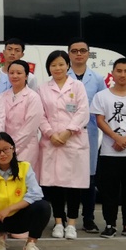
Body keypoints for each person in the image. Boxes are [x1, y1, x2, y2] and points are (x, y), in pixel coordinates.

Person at [91, 58, 126, 239]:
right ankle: (110, 225)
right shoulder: (102, 96)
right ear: (112, 73)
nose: (122, 74)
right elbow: (100, 120)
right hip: (109, 152)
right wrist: (116, 137)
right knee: (109, 191)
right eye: (119, 70)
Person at [38, 50, 90, 240]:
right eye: (53, 65)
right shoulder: (43, 89)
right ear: (49, 68)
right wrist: (51, 133)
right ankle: (59, 222)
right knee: (55, 185)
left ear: (67, 65)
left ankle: (72, 224)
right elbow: (40, 114)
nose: (57, 68)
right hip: (51, 142)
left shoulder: (77, 86)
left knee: (74, 184)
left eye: (61, 64)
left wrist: (68, 132)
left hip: (73, 141)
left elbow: (83, 111)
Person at [68, 39, 107, 233]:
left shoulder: (98, 79)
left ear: (88, 54)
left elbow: (103, 106)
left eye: (82, 50)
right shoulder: (62, 76)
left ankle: (89, 219)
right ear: (69, 54)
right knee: (68, 177)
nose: (78, 54)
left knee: (89, 177)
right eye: (74, 51)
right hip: (66, 134)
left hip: (88, 133)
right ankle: (68, 219)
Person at [0, 60, 45, 175]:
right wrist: (4, 146)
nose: (15, 76)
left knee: (24, 178)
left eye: (19, 73)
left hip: (26, 146)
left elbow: (30, 127)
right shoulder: (2, 96)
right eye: (11, 73)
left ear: (26, 76)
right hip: (4, 147)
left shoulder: (33, 97)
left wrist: (12, 148)